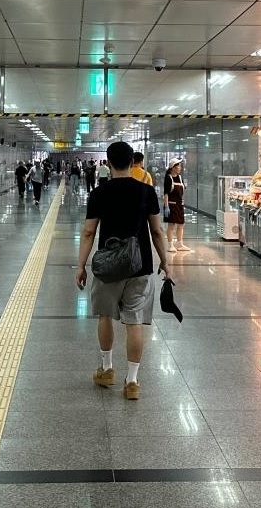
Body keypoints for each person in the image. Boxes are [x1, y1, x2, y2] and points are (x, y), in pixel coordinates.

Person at [76, 141, 168, 400]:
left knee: (105, 315)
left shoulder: (100, 192)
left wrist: (81, 265)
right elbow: (157, 231)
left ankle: (107, 369)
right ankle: (133, 381)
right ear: (132, 162)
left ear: (108, 163)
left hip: (108, 266)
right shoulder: (146, 191)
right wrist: (166, 261)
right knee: (135, 322)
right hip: (140, 265)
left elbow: (89, 231)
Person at [163, 158, 189, 252]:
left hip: (179, 205)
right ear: (173, 167)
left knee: (181, 224)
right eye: (178, 166)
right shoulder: (168, 178)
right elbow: (166, 194)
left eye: (180, 166)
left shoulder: (180, 178)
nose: (180, 167)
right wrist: (166, 207)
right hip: (171, 205)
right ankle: (170, 245)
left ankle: (180, 244)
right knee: (171, 225)